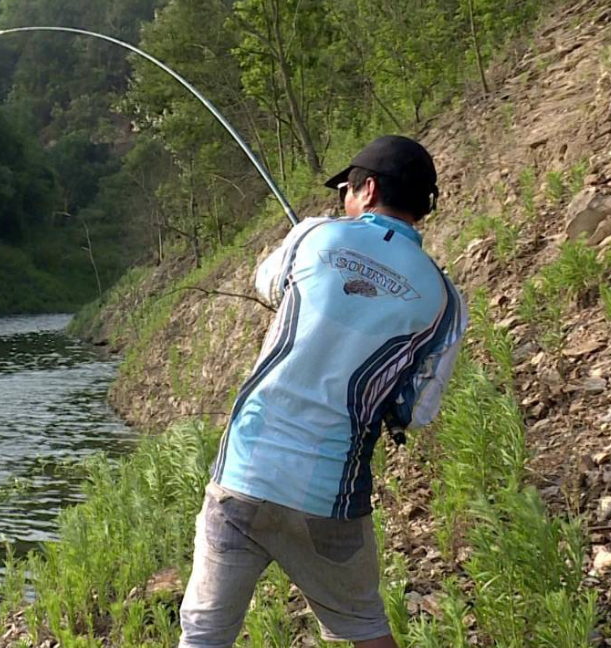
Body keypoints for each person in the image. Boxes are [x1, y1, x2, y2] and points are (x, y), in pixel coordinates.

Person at [177, 135, 468, 648]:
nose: (342, 204)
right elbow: (417, 412)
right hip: (331, 497)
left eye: (346, 193)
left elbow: (266, 284)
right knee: (361, 627)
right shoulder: (445, 300)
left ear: (369, 189)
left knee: (204, 634)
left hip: (245, 474)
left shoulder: (313, 235)